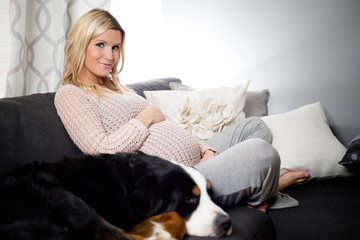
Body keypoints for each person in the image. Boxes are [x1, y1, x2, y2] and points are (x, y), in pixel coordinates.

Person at [54, 8, 309, 212]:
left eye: (115, 47)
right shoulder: (71, 94)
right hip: (175, 181)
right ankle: (265, 188)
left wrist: (206, 150)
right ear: (81, 44)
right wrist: (146, 117)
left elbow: (170, 131)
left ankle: (250, 189)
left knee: (255, 127)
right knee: (262, 152)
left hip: (199, 161)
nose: (109, 55)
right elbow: (101, 150)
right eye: (100, 44)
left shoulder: (119, 88)